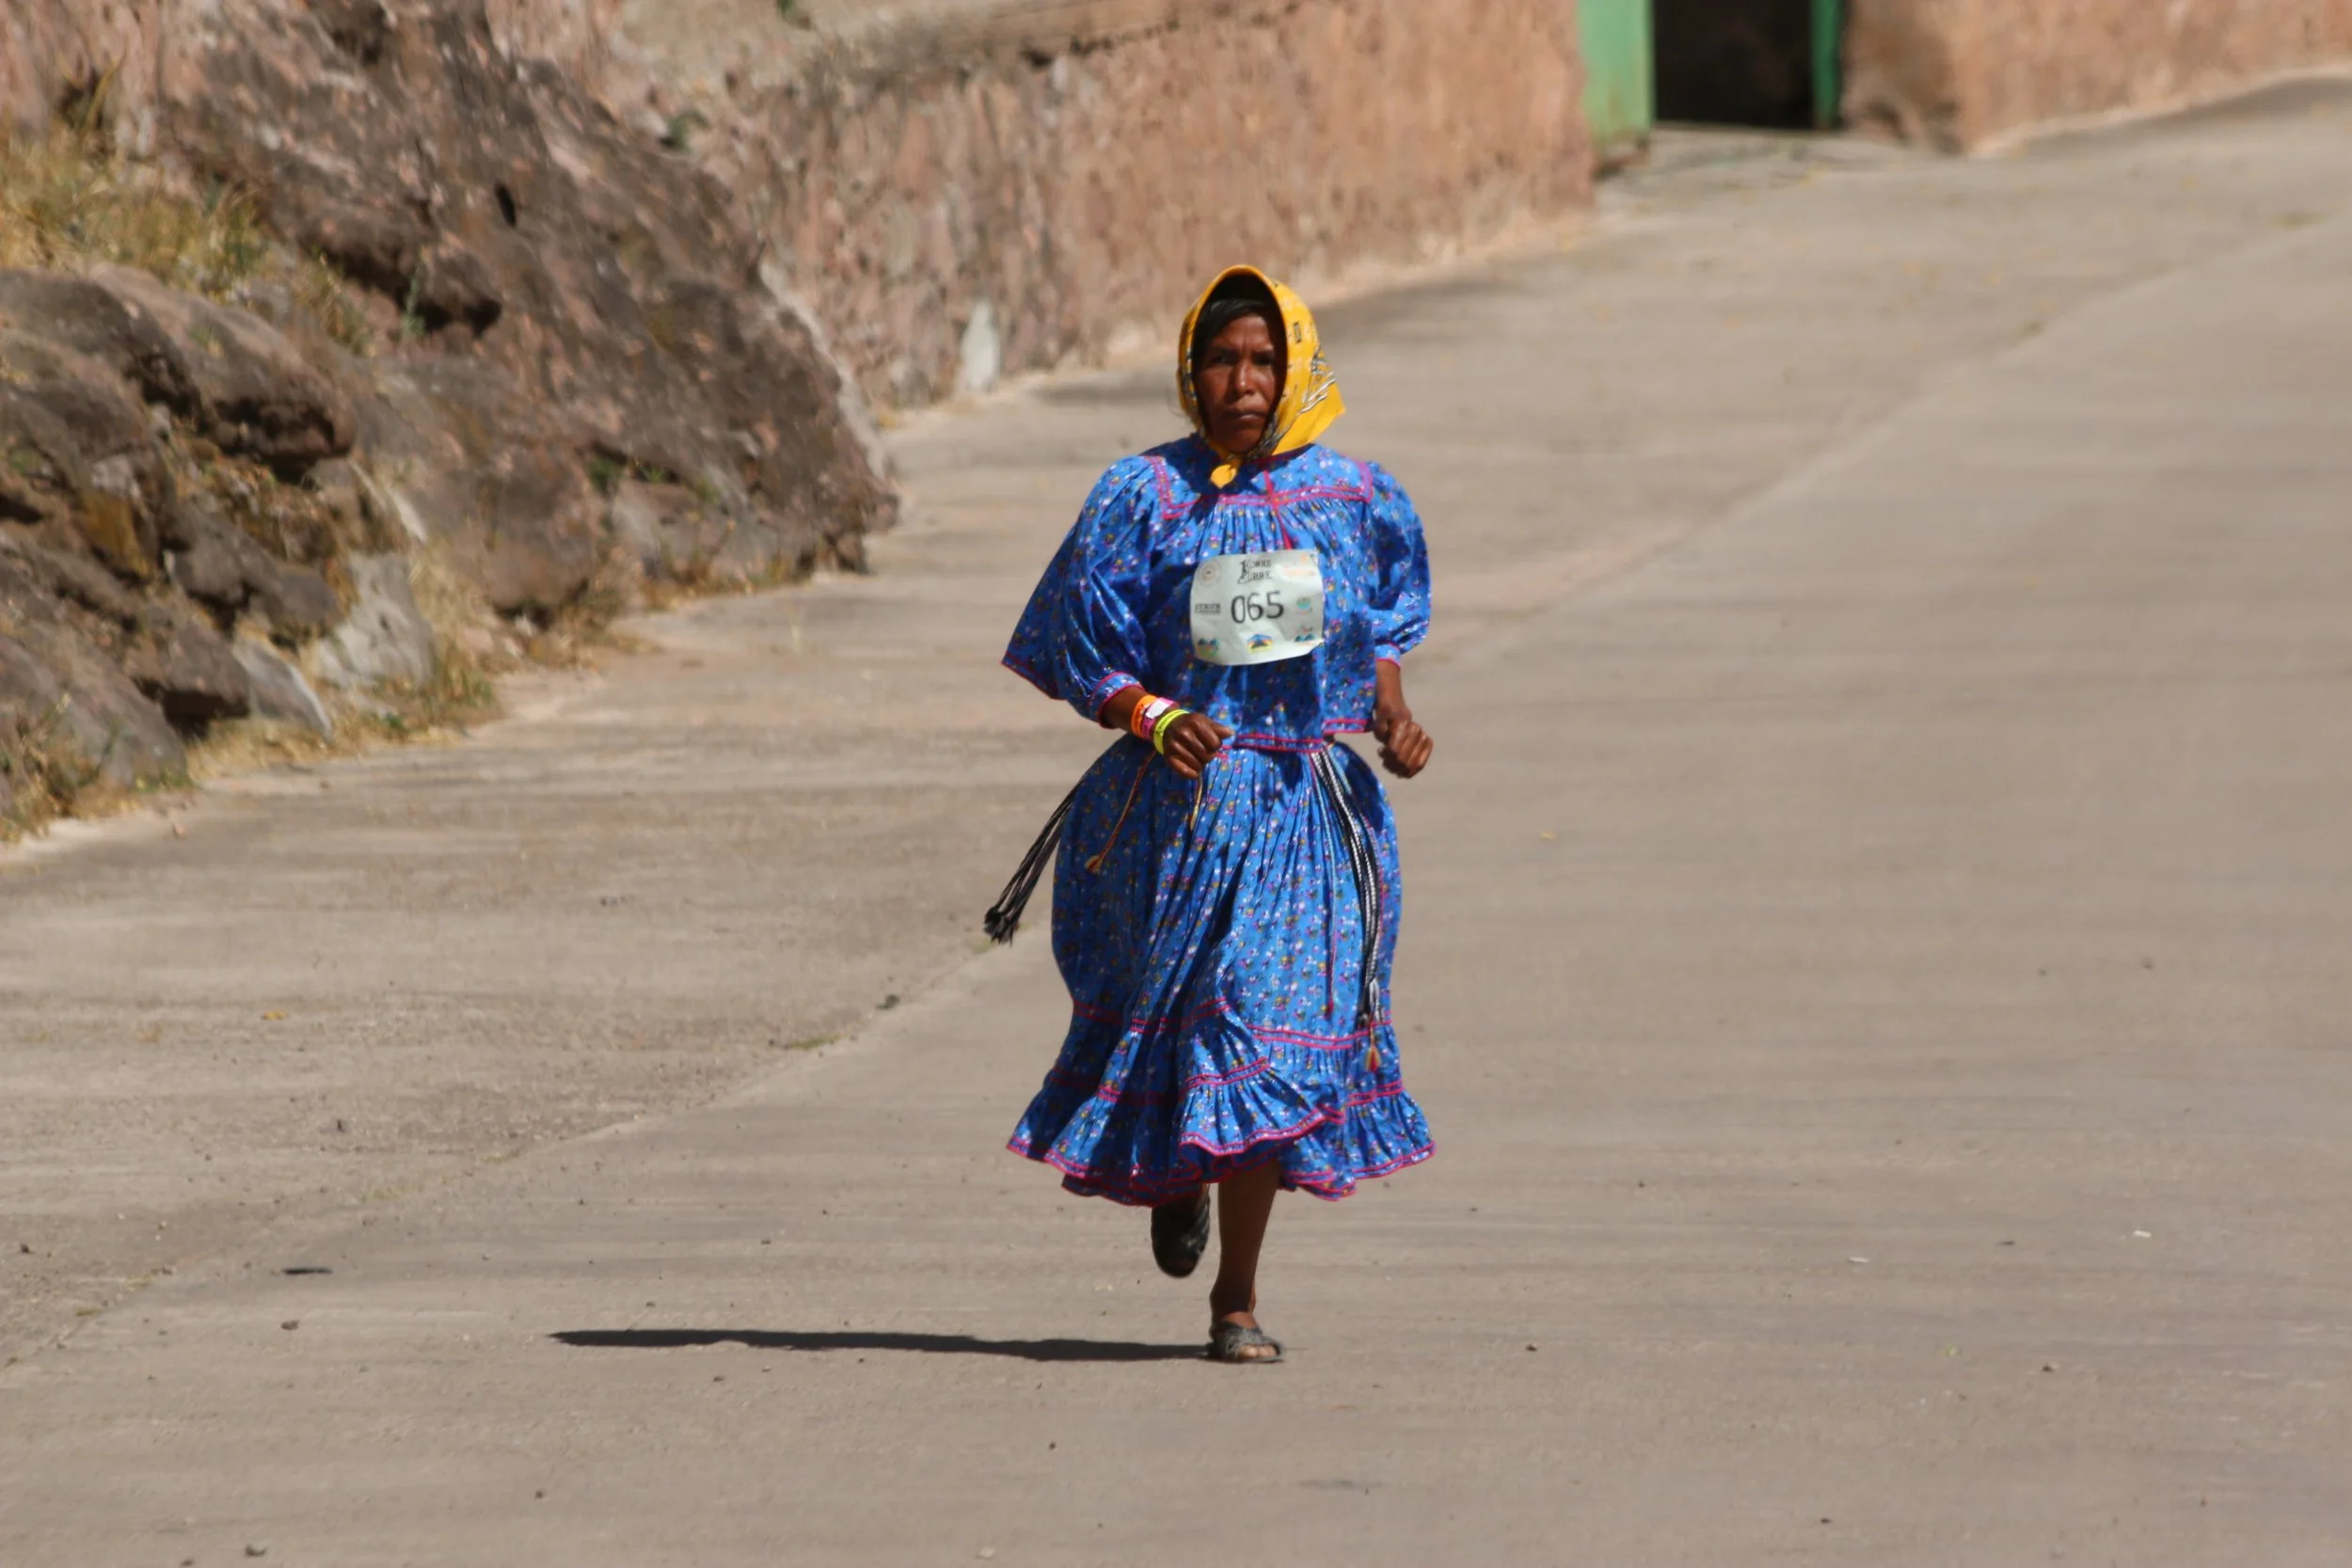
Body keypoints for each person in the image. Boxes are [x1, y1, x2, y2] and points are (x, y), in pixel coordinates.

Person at [993, 265, 1437, 1364]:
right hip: (1174, 819)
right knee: (1192, 1030)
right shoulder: (1141, 496)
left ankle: (1234, 1298)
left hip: (1303, 815)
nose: (1243, 382)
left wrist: (1390, 712)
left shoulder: (1355, 496)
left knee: (1262, 1028)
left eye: (1263, 360)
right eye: (1221, 360)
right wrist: (1151, 714)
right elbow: (1078, 645)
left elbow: (1378, 630)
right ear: (1190, 372)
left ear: (1297, 368)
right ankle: (1178, 1176)